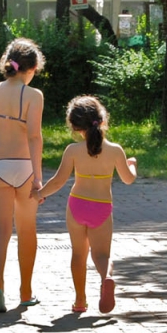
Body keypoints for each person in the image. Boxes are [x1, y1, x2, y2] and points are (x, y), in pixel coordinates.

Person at [37, 95, 137, 314]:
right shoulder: (115, 150)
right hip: (101, 208)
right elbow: (128, 179)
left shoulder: (72, 150)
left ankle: (80, 300)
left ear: (74, 126)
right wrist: (132, 165)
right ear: (101, 120)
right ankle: (106, 277)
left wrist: (39, 194)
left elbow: (58, 181)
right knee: (101, 255)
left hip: (77, 206)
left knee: (78, 254)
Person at [0, 38, 46, 313]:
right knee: (27, 230)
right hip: (24, 167)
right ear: (31, 68)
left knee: (0, 230)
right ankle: (26, 291)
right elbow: (34, 136)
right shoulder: (34, 96)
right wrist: (38, 178)